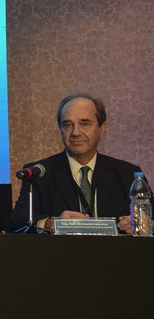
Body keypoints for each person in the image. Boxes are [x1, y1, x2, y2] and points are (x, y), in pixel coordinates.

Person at [10, 93, 144, 233]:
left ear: (101, 128)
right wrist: (52, 223)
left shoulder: (127, 174)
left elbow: (149, 217)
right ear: (60, 130)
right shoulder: (40, 172)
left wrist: (140, 223)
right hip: (61, 253)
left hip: (116, 253)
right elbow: (18, 221)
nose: (75, 132)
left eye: (84, 124)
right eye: (67, 125)